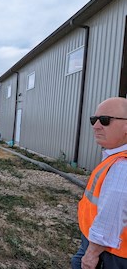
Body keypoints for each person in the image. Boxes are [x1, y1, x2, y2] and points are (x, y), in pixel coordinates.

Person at [71, 97, 127, 269]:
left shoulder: (122, 166)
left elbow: (113, 213)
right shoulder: (114, 158)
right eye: (93, 120)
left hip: (109, 254)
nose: (95, 126)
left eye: (104, 120)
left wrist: (92, 253)